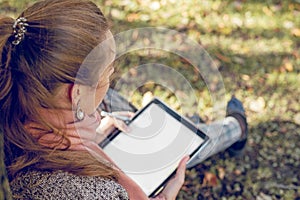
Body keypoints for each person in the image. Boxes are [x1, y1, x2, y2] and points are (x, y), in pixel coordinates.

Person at [0, 0, 247, 199]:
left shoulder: (12, 101)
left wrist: (92, 135)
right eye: (108, 73)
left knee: (137, 122)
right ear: (76, 94)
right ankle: (236, 127)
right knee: (178, 145)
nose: (111, 79)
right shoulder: (100, 192)